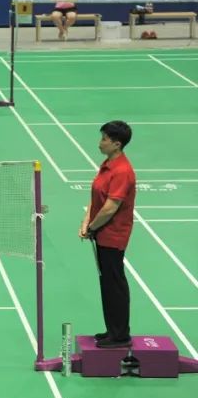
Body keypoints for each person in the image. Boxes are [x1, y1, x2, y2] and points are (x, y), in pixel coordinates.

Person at [80, 121, 136, 349]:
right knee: (107, 283)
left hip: (113, 235)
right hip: (101, 232)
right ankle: (112, 329)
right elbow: (97, 197)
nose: (100, 142)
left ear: (117, 144)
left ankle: (120, 336)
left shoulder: (122, 171)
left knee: (114, 283)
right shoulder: (108, 164)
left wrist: (92, 227)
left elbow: (110, 208)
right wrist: (86, 221)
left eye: (104, 139)